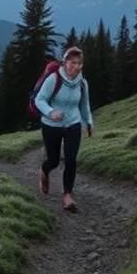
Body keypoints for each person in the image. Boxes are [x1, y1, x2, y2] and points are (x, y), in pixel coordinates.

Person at [34, 46, 93, 211]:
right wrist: (50, 112)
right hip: (51, 125)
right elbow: (40, 100)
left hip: (73, 124)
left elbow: (84, 104)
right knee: (53, 161)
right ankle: (44, 172)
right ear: (65, 62)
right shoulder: (54, 79)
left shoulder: (82, 83)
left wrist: (88, 122)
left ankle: (67, 195)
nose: (76, 66)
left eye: (79, 63)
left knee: (71, 160)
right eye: (73, 62)